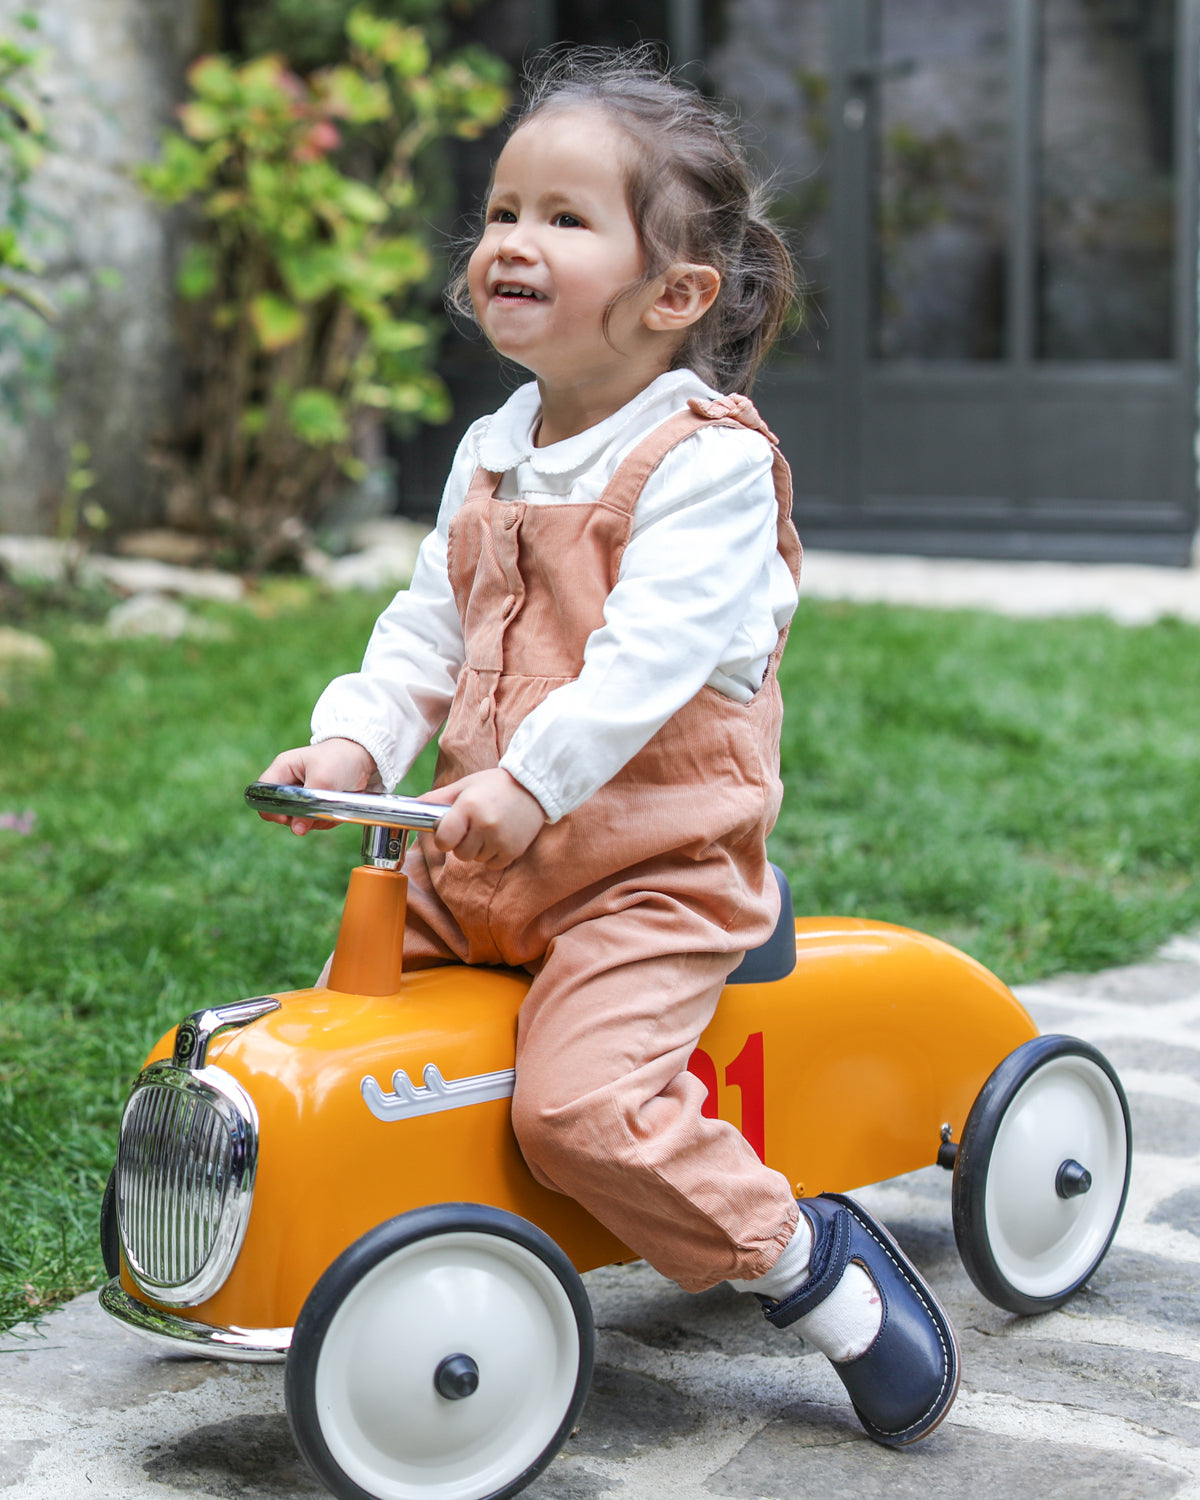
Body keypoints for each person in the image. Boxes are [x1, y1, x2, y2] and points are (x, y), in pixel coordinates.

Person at [260, 47, 959, 1447]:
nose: (513, 237)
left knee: (579, 1107)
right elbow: (425, 631)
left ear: (676, 294)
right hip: (491, 857)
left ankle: (808, 1267)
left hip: (649, 872)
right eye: (505, 208)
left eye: (566, 218)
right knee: (342, 1040)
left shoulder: (706, 464)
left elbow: (646, 666)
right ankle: (341, 1254)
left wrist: (525, 783)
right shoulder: (493, 450)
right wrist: (352, 745)